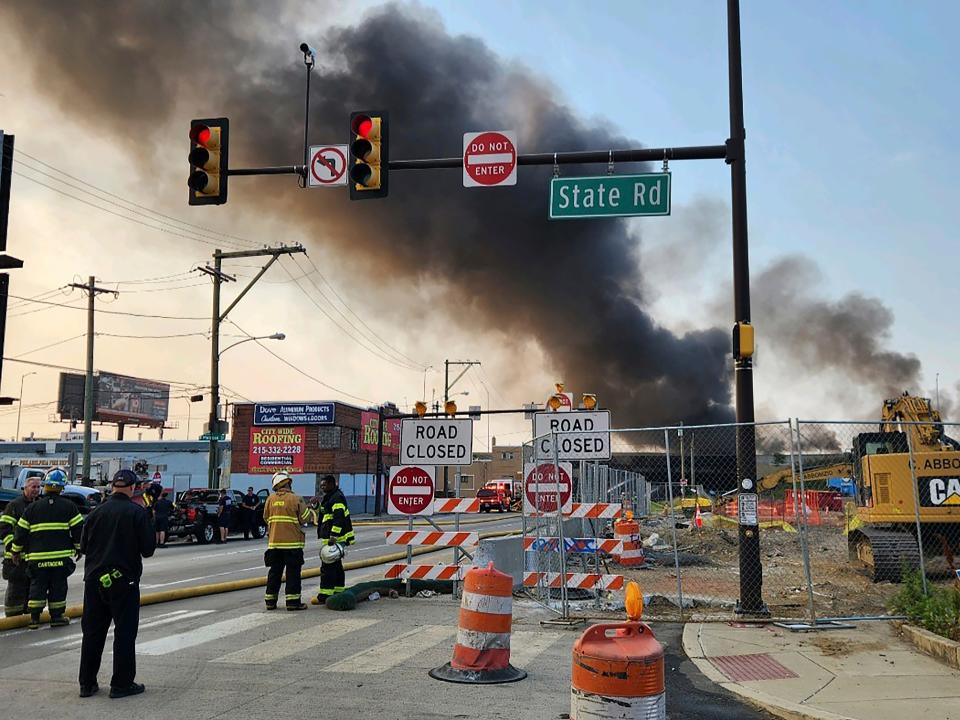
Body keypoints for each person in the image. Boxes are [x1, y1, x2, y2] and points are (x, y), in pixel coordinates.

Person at [78, 468, 155, 699]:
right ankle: (121, 684)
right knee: (124, 632)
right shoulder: (136, 513)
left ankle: (87, 684)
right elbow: (148, 550)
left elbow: (83, 547)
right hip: (124, 582)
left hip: (94, 581)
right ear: (132, 488)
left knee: (92, 633)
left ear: (112, 487)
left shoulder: (94, 513)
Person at [10, 469, 83, 629]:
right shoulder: (69, 507)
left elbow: (20, 532)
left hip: (37, 558)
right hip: (60, 559)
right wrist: (79, 549)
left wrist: (15, 551)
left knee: (37, 587)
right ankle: (57, 617)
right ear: (62, 487)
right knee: (58, 587)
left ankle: (34, 619)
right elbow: (78, 531)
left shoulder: (33, 508)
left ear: (46, 486)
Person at [262, 471, 313, 611]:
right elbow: (305, 518)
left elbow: (266, 518)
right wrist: (311, 509)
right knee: (293, 574)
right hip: (292, 544)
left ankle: (270, 602)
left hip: (274, 544)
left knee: (274, 573)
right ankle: (293, 603)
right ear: (288, 483)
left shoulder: (270, 499)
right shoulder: (296, 499)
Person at [0, 474, 41, 617]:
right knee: (15, 593)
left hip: (34, 559)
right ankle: (13, 619)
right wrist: (13, 548)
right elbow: (4, 528)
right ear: (25, 487)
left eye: (38, 487)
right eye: (33, 486)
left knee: (33, 593)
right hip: (16, 561)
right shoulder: (14, 506)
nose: (36, 490)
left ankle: (29, 617)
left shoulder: (39, 505)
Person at [312, 474, 355, 605]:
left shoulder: (337, 498)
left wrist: (333, 537)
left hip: (336, 538)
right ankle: (338, 590)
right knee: (336, 566)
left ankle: (324, 594)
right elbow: (325, 513)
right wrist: (316, 506)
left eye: (324, 485)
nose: (322, 487)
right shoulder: (330, 497)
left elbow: (338, 518)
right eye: (321, 485)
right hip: (332, 538)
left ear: (332, 484)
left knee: (328, 567)